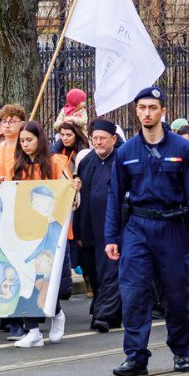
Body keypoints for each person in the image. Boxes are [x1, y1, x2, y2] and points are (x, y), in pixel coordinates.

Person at [104, 86, 189, 376]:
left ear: (163, 111)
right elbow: (115, 197)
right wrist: (111, 237)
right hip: (137, 228)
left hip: (173, 227)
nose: (147, 113)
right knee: (134, 294)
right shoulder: (126, 152)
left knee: (176, 294)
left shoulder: (183, 149)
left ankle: (181, 351)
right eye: (142, 108)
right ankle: (136, 356)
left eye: (152, 107)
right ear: (136, 111)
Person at [0, 119, 73, 347]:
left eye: (29, 140)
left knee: (44, 279)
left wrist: (74, 188)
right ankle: (32, 330)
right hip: (24, 231)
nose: (24, 144)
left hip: (49, 232)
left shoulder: (54, 163)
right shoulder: (16, 166)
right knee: (26, 279)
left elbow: (69, 196)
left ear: (39, 139)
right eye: (21, 140)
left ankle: (56, 314)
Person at [74, 119, 123, 332]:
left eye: (102, 138)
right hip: (89, 226)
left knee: (111, 270)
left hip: (112, 226)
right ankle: (108, 312)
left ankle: (104, 314)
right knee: (94, 271)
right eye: (95, 138)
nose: (98, 142)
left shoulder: (121, 160)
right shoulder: (87, 161)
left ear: (113, 139)